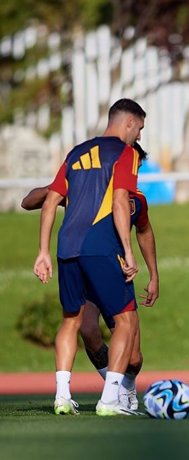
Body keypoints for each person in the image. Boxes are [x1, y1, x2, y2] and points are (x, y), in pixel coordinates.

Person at [22, 143, 159, 411]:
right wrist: (56, 189)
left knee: (134, 357)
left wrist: (154, 274)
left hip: (116, 272)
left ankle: (125, 388)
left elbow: (144, 232)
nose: (136, 173)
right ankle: (112, 392)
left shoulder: (136, 201)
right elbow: (28, 202)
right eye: (135, 167)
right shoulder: (85, 191)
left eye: (138, 168)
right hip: (87, 267)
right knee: (86, 329)